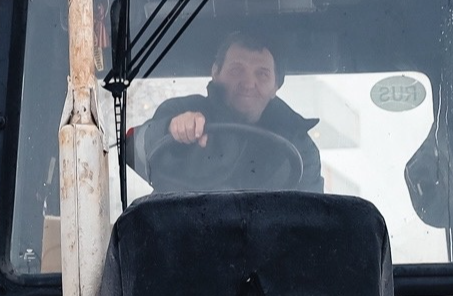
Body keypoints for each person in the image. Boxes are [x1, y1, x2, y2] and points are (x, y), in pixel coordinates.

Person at [130, 31, 324, 192]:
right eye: (236, 70)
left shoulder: (299, 145)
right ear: (215, 73)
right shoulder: (178, 111)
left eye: (262, 74)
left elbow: (311, 219)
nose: (248, 83)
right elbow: (135, 149)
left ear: (276, 85)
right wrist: (170, 130)